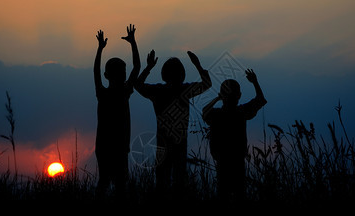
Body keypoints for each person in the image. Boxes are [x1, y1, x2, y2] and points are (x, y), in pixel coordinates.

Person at [135, 50, 211, 197]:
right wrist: (198, 65)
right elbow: (207, 84)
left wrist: (149, 67)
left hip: (162, 143)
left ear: (164, 73)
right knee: (179, 183)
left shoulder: (158, 91)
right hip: (180, 142)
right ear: (181, 74)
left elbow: (138, 85)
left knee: (162, 183)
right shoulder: (184, 90)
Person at [202, 69, 267, 202]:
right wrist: (255, 82)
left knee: (223, 195)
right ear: (239, 95)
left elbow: (204, 111)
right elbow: (260, 99)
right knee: (239, 195)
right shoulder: (241, 112)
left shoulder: (217, 115)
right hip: (237, 160)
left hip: (222, 160)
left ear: (222, 95)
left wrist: (217, 98)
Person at [93, 25, 140, 197]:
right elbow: (137, 67)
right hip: (116, 146)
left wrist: (99, 49)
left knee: (106, 182)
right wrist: (133, 43)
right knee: (118, 184)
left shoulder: (103, 93)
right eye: (123, 72)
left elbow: (96, 72)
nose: (125, 75)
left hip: (107, 146)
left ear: (107, 76)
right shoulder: (122, 92)